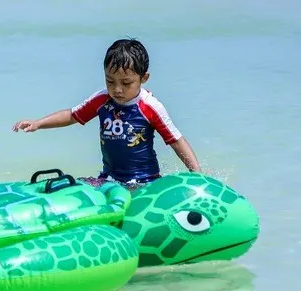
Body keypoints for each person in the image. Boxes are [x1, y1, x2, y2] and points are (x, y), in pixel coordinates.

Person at [12, 38, 201, 189]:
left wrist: (198, 176)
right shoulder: (102, 99)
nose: (117, 89)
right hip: (109, 178)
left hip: (144, 181)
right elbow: (72, 115)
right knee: (76, 185)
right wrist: (38, 123)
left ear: (144, 78)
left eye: (126, 83)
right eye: (110, 81)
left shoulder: (150, 106)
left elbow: (176, 141)